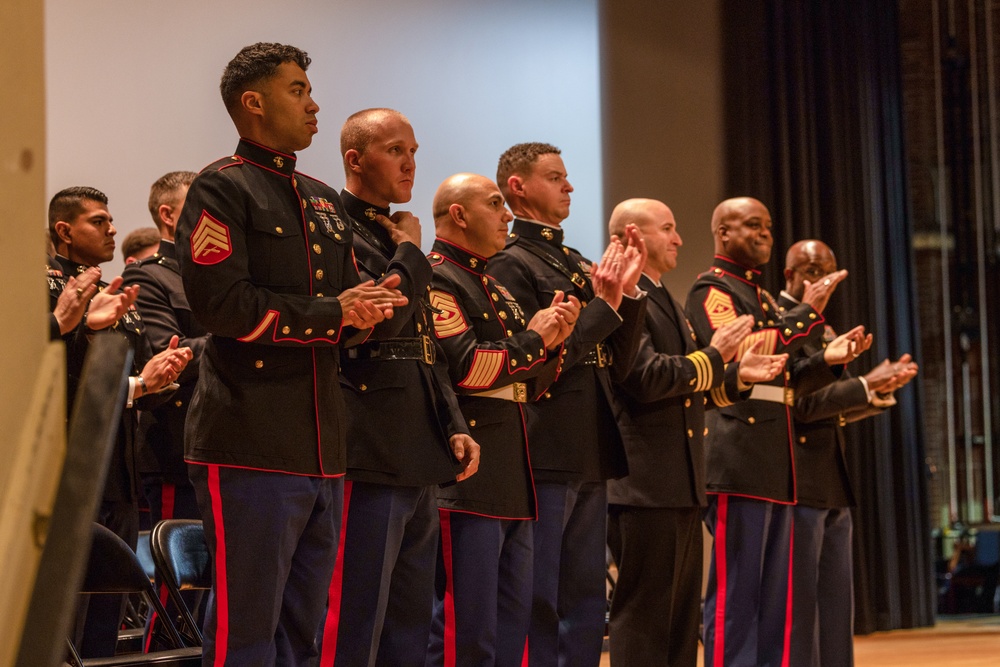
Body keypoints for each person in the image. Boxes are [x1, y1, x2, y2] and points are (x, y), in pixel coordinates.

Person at [174, 43, 407, 666]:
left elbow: (345, 313)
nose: (314, 105)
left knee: (305, 632)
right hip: (249, 436)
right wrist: (336, 313)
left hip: (324, 442)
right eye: (298, 91)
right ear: (253, 103)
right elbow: (223, 306)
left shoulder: (323, 199)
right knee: (247, 632)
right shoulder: (221, 190)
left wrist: (367, 314)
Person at [319, 108, 480, 667]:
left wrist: (453, 423)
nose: (409, 162)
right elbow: (378, 318)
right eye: (394, 150)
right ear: (354, 160)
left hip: (418, 443)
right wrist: (412, 251)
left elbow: (425, 342)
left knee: (410, 621)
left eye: (412, 150)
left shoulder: (394, 230)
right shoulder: (335, 226)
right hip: (367, 442)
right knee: (356, 615)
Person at [684, 196, 870, 667]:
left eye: (767, 226)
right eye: (751, 225)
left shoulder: (764, 298)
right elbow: (747, 352)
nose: (765, 233)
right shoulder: (713, 290)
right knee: (738, 596)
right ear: (723, 233)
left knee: (779, 601)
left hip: (778, 458)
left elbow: (786, 377)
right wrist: (807, 313)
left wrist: (829, 361)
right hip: (739, 454)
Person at [605, 198, 788, 666]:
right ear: (633, 237)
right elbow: (644, 378)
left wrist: (740, 374)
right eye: (668, 228)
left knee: (680, 620)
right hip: (643, 482)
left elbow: (692, 389)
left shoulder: (662, 295)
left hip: (678, 482)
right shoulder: (623, 297)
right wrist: (714, 357)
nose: (679, 238)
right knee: (646, 617)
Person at [486, 142, 646, 666]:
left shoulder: (574, 261)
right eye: (555, 177)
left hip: (589, 444)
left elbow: (614, 365)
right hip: (545, 445)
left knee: (584, 598)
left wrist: (630, 296)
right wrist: (604, 307)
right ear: (518, 187)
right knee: (540, 594)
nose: (569, 186)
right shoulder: (511, 265)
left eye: (567, 177)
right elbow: (538, 360)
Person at [424, 173, 581, 665]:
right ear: (459, 214)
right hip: (468, 475)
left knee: (513, 626)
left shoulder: (496, 286)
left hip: (515, 471)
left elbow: (533, 383)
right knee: (466, 630)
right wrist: (535, 342)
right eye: (495, 204)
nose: (507, 214)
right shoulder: (436, 278)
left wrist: (557, 341)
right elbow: (469, 367)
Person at [48, 186, 192, 657]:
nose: (111, 229)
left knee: (107, 617)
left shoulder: (112, 292)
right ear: (64, 231)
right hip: (70, 466)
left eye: (111, 221)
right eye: (98, 221)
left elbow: (136, 379)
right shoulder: (51, 290)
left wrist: (158, 378)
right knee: (63, 613)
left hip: (121, 467)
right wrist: (79, 326)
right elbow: (55, 380)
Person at [780, 240, 918, 667]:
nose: (821, 278)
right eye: (811, 269)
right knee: (803, 608)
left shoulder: (821, 325)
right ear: (789, 274)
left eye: (829, 270)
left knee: (837, 607)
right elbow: (799, 404)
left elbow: (829, 409)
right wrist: (865, 385)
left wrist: (874, 393)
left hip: (829, 478)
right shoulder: (780, 321)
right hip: (795, 478)